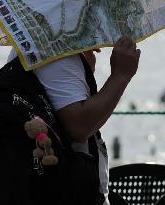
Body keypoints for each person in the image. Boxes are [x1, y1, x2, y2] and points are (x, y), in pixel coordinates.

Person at [20, 36, 141, 205]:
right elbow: (80, 126)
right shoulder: (56, 55)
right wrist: (121, 75)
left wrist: (84, 65)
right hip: (66, 190)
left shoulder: (37, 41)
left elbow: (59, 101)